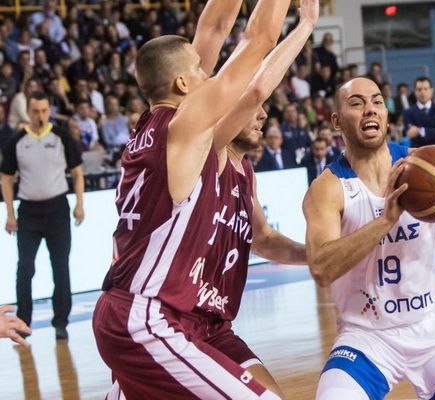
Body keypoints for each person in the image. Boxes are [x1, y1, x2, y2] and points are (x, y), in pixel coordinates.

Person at [108, 5, 318, 396]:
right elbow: (259, 46)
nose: (209, 74)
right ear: (182, 83)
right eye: (200, 70)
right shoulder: (186, 129)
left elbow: (215, 26)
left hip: (188, 315)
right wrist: (305, 23)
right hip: (151, 312)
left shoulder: (159, 127)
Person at [304, 77, 435, 400]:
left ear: (386, 115)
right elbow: (321, 268)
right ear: (337, 121)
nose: (370, 109)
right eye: (357, 103)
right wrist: (386, 220)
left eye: (377, 101)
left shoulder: (425, 166)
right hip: (367, 336)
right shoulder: (328, 188)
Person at [1, 92, 85, 341]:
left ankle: (61, 322)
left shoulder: (61, 136)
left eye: (44, 110)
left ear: (50, 111)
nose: (40, 115)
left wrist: (79, 204)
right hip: (29, 212)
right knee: (25, 269)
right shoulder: (17, 140)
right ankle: (23, 322)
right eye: (36, 111)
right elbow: (6, 178)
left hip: (57, 209)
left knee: (60, 267)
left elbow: (77, 172)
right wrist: (10, 213)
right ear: (28, 111)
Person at [401, 76, 435, 257]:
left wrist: (421, 130)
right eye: (419, 89)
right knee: (419, 205)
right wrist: (429, 132)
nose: (422, 92)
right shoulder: (408, 112)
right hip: (418, 163)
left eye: (425, 88)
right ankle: (422, 250)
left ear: (431, 90)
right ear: (415, 92)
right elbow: (409, 133)